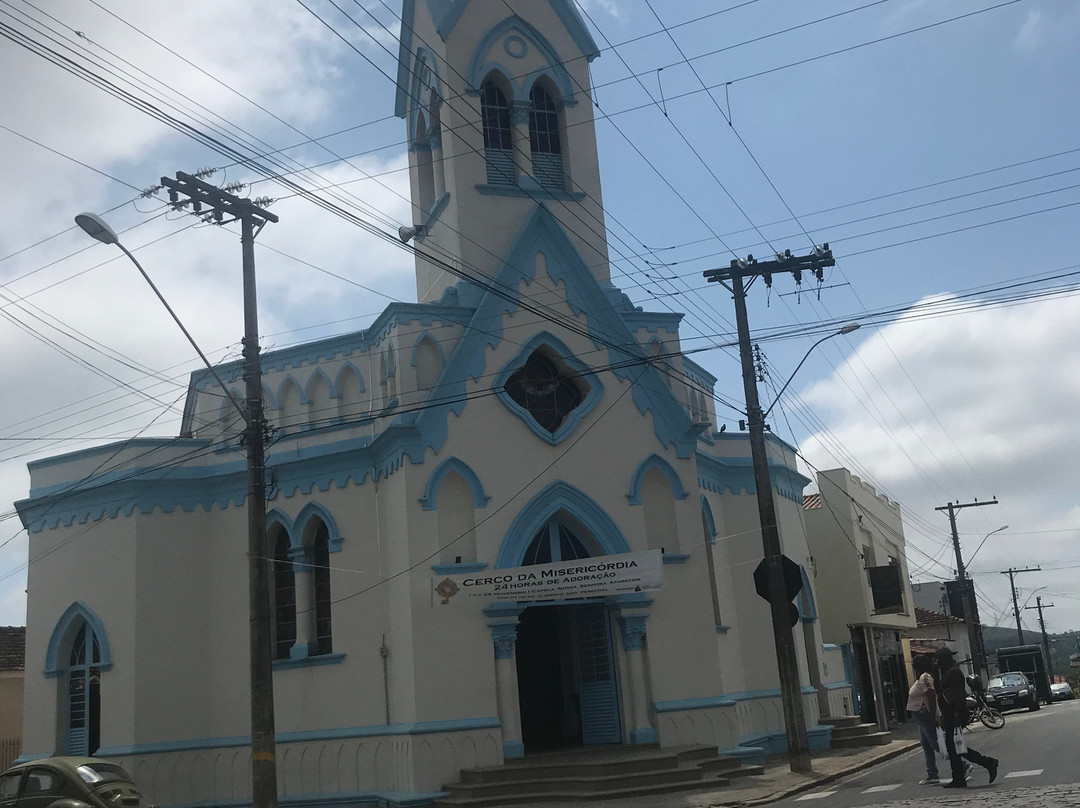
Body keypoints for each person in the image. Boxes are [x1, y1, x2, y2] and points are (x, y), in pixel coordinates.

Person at [934, 646, 1000, 788]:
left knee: (954, 746)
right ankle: (961, 775)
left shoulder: (954, 672)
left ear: (945, 659)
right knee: (954, 747)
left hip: (956, 712)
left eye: (938, 660)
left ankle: (985, 764)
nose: (936, 662)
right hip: (949, 713)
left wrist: (957, 713)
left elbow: (958, 695)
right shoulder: (944, 672)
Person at [907, 653, 940, 784]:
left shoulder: (924, 677)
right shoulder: (921, 677)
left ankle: (962, 765)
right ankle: (932, 773)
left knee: (936, 744)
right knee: (926, 745)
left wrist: (932, 715)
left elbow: (931, 695)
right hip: (920, 715)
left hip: (924, 714)